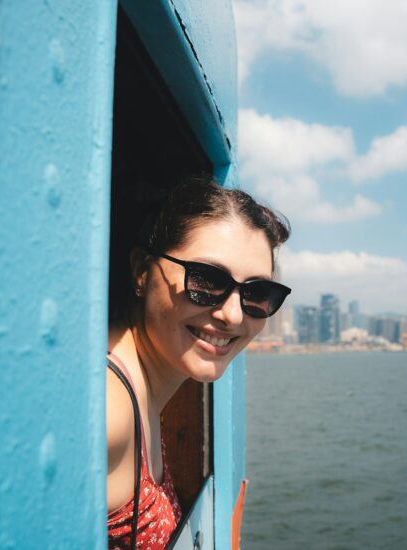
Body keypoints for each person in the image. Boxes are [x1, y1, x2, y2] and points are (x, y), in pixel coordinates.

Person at [106, 177, 290, 549]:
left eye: (258, 293)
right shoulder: (109, 407)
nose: (233, 316)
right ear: (142, 269)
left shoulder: (141, 387)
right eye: (206, 279)